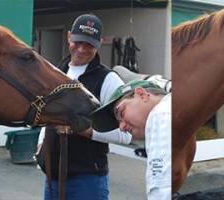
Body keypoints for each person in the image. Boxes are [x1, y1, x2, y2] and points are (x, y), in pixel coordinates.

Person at [36, 13, 131, 200]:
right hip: (52, 178)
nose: (81, 49)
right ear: (68, 36)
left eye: (89, 44)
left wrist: (84, 130)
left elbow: (126, 134)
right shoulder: (56, 72)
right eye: (77, 41)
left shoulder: (109, 80)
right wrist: (40, 146)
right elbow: (48, 115)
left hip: (87, 180)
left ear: (100, 42)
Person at [91, 80, 171, 200]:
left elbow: (161, 189)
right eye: (118, 123)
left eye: (121, 113)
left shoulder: (160, 115)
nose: (121, 127)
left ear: (142, 94)